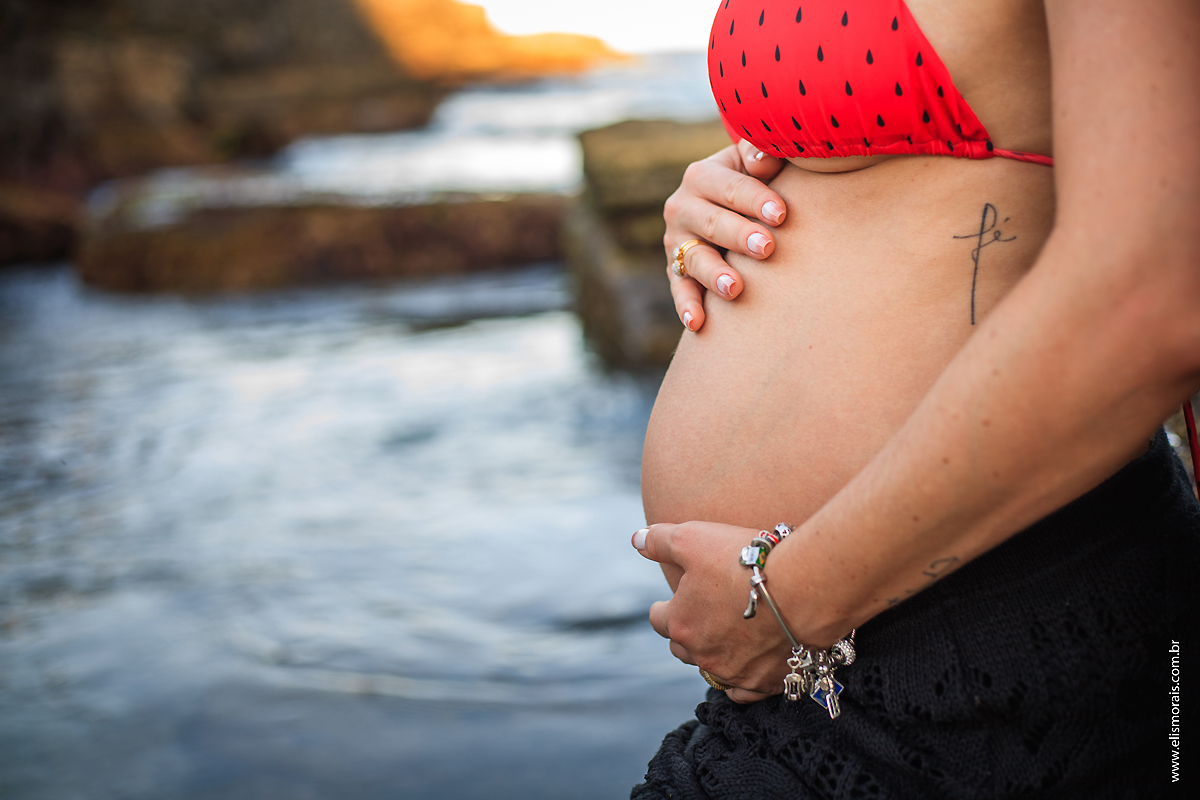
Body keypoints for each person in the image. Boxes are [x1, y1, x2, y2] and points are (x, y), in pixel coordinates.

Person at [630, 0, 1199, 796]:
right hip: (815, 660)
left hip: (995, 635)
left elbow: (1159, 289)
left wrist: (792, 598)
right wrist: (725, 189)